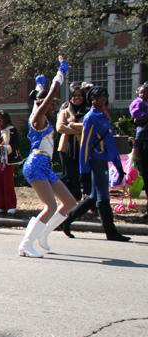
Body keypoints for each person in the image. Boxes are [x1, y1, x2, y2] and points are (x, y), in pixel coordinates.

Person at [18, 59, 78, 257]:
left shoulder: (39, 113)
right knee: (50, 206)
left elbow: (40, 94)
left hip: (45, 167)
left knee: (69, 203)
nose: (54, 107)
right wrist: (60, 75)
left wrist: (39, 84)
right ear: (42, 103)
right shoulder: (37, 118)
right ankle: (26, 245)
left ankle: (43, 233)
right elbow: (48, 95)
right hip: (35, 165)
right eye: (52, 104)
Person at [62, 86, 131, 241]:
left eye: (105, 96)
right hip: (96, 160)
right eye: (99, 97)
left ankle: (66, 221)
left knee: (93, 196)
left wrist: (118, 165)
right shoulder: (91, 117)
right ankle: (111, 232)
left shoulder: (102, 116)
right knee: (103, 196)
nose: (103, 99)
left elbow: (111, 144)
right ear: (92, 99)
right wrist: (84, 171)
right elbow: (85, 146)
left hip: (103, 160)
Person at [57, 86, 87, 200]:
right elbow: (60, 128)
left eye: (79, 95)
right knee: (68, 175)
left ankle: (85, 198)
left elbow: (89, 127)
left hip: (83, 147)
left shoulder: (87, 112)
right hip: (66, 148)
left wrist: (72, 125)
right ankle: (71, 199)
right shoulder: (65, 111)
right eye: (74, 95)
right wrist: (77, 131)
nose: (77, 98)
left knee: (82, 174)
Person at [129, 83, 147, 218]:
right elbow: (134, 114)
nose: (142, 94)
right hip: (143, 132)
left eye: (144, 92)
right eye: (140, 92)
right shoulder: (138, 102)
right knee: (139, 136)